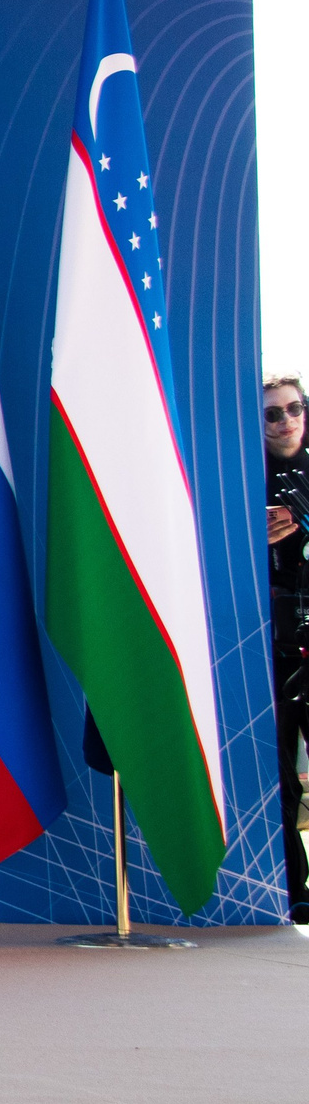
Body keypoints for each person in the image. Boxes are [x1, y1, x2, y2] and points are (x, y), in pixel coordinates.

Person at [266, 377, 309, 922]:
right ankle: (294, 889)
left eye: (294, 409)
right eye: (272, 414)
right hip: (270, 642)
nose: (285, 421)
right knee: (278, 773)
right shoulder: (242, 475)